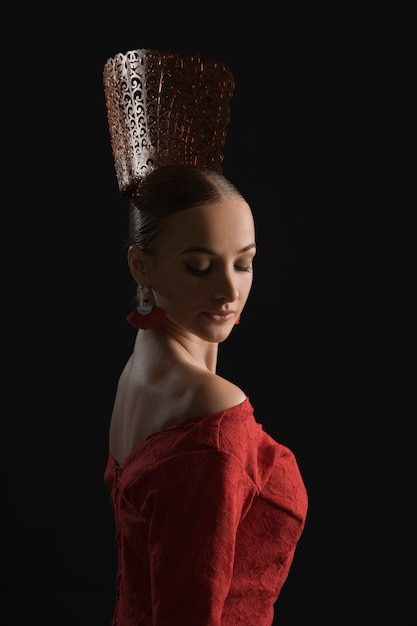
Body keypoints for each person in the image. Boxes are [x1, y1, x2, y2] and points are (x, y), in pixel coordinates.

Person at [102, 48, 308, 626]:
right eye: (198, 265)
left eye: (243, 263)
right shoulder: (213, 413)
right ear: (142, 267)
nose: (229, 289)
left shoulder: (136, 374)